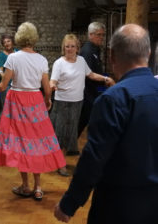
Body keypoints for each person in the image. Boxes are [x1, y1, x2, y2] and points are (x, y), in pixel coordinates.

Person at [54, 24, 158, 224]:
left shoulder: (114, 99)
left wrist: (70, 203)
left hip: (120, 205)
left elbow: (94, 157)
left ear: (112, 57)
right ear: (149, 53)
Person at [0, 22, 66, 201]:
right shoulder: (41, 59)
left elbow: (3, 86)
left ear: (19, 37)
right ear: (34, 37)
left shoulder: (14, 58)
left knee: (21, 144)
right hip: (35, 101)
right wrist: (47, 101)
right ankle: (38, 187)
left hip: (17, 101)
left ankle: (25, 186)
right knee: (37, 143)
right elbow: (47, 89)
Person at [50, 34, 114, 172]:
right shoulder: (59, 63)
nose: (70, 49)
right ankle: (59, 163)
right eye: (67, 46)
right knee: (60, 132)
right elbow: (53, 80)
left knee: (71, 132)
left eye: (72, 46)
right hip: (62, 102)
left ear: (77, 48)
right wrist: (52, 85)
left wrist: (105, 78)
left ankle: (61, 160)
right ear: (63, 48)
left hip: (77, 102)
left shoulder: (81, 61)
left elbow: (91, 75)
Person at [77, 22, 106, 137]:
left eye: (103, 35)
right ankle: (71, 145)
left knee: (89, 120)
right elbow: (89, 74)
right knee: (83, 120)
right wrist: (105, 80)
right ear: (91, 35)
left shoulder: (95, 49)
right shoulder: (88, 51)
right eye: (99, 35)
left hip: (94, 91)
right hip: (88, 93)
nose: (101, 38)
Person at [0, 34, 18, 106]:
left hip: (18, 84)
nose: (6, 44)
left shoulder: (18, 52)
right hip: (7, 85)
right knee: (7, 106)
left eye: (8, 41)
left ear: (12, 42)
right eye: (4, 42)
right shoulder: (2, 55)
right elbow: (0, 71)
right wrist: (7, 79)